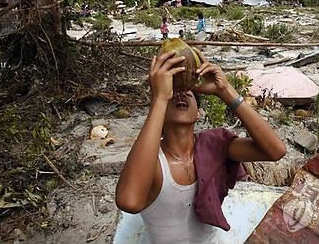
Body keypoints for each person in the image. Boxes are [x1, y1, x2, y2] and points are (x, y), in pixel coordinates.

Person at [115, 51, 286, 244]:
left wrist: (225, 90)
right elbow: (129, 201)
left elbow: (275, 150)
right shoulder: (153, 161)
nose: (180, 94)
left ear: (199, 112)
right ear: (159, 110)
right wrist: (159, 98)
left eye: (188, 92)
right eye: (172, 93)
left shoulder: (213, 147)